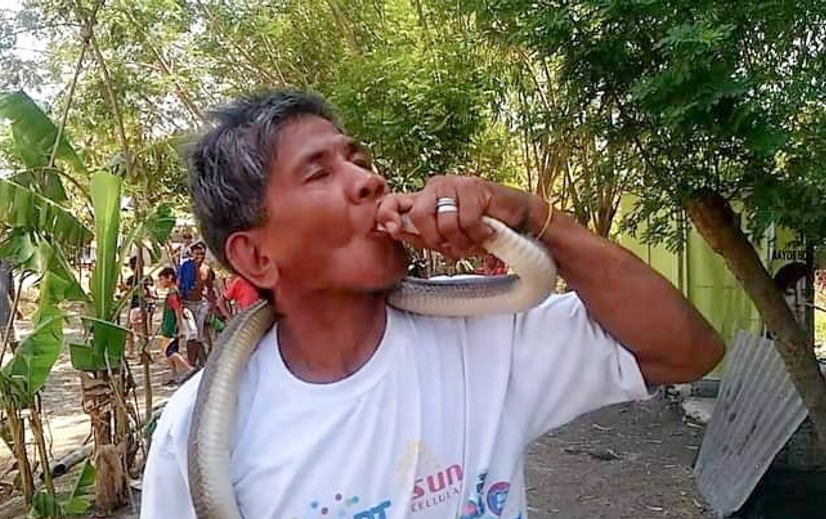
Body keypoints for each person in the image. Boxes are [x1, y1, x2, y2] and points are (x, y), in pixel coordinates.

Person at [141, 91, 724, 519]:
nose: (367, 180)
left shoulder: (490, 336)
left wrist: (527, 215)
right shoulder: (200, 431)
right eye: (320, 173)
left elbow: (688, 352)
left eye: (360, 160)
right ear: (257, 258)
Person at [176, 242, 217, 366]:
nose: (199, 256)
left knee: (199, 335)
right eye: (197, 253)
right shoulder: (185, 267)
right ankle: (191, 363)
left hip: (202, 304)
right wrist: (179, 304)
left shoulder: (207, 269)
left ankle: (201, 362)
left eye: (202, 253)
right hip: (187, 303)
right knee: (191, 334)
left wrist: (214, 305)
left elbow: (210, 288)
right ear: (192, 254)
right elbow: (179, 284)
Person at [156, 267, 194, 385]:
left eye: (162, 279)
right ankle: (174, 376)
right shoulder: (173, 292)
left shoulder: (172, 293)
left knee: (170, 352)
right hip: (170, 325)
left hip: (171, 326)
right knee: (171, 351)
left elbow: (177, 310)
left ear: (170, 278)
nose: (161, 282)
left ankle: (190, 369)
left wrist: (180, 327)